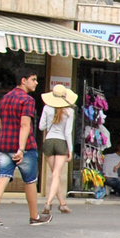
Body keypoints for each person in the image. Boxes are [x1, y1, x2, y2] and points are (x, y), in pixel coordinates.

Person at [0, 66, 48, 227]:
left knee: (3, 177)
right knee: (30, 181)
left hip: (5, 144)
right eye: (33, 79)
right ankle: (34, 217)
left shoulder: (5, 98)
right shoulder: (27, 100)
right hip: (24, 147)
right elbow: (25, 125)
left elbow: (2, 122)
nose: (36, 83)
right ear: (23, 80)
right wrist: (21, 149)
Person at [39, 83, 78, 214]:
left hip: (49, 141)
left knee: (55, 175)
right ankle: (48, 203)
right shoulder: (70, 112)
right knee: (57, 175)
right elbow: (68, 133)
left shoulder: (46, 108)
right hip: (61, 142)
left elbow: (41, 127)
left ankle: (62, 204)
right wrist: (70, 150)